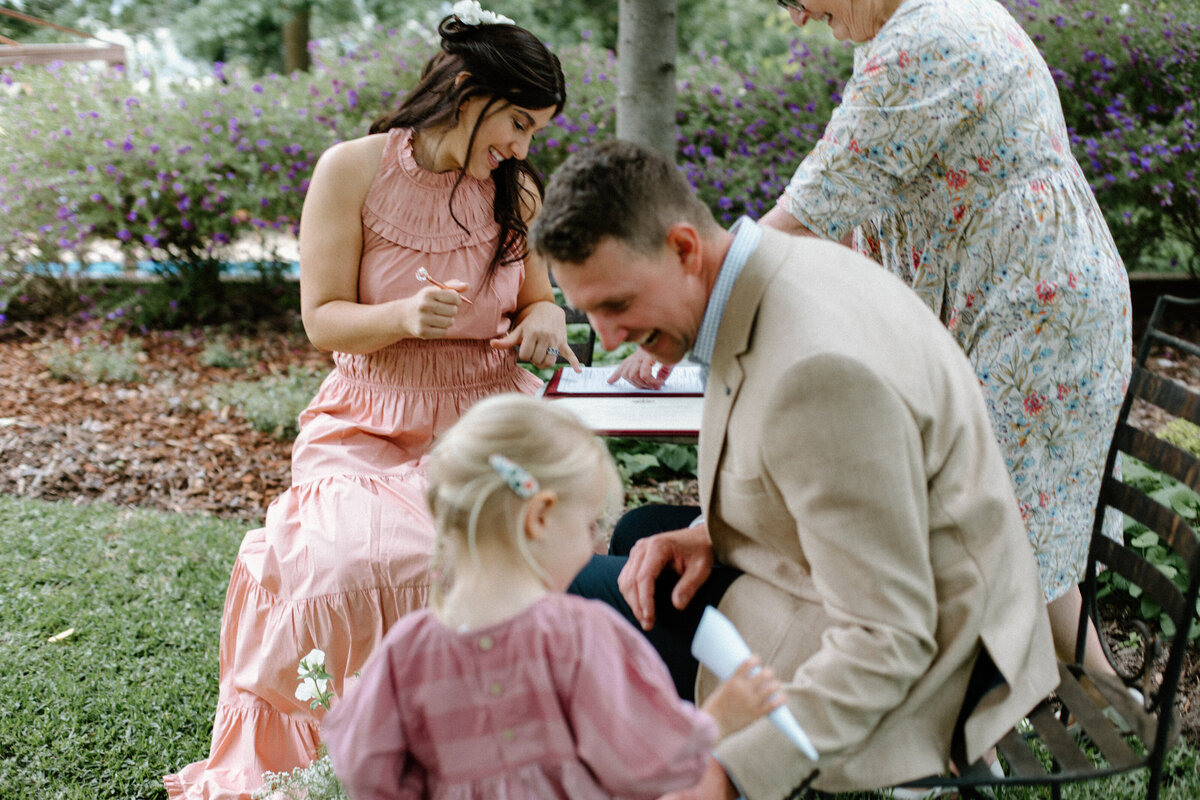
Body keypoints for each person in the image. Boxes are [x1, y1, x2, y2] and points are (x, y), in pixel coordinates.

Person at [531, 140, 1059, 798]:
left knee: (571, 591)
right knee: (643, 533)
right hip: (896, 576)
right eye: (589, 314)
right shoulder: (776, 269)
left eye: (615, 306)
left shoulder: (816, 375)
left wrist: (726, 774)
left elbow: (888, 639)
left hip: (936, 660)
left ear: (684, 248)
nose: (607, 339)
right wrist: (704, 533)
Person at [165, 6, 578, 798]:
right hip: (369, 417)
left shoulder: (515, 191)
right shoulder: (350, 169)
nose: (523, 149)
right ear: (466, 91)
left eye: (534, 134)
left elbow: (540, 300)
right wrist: (398, 319)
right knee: (348, 563)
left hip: (489, 416)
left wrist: (546, 316)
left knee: (494, 552)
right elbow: (321, 320)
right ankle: (351, 753)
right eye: (518, 124)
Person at [755, 0, 1133, 670]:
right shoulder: (909, 27)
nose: (797, 17)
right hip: (1021, 293)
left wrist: (695, 291)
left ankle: (957, 740)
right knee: (1011, 514)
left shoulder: (932, 37)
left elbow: (810, 209)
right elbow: (861, 205)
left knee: (964, 522)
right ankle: (1112, 698)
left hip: (1036, 309)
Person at [321, 393, 784, 799]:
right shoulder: (580, 637)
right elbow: (647, 762)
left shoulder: (407, 649)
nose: (595, 544)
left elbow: (363, 764)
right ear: (539, 517)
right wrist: (719, 720)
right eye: (588, 526)